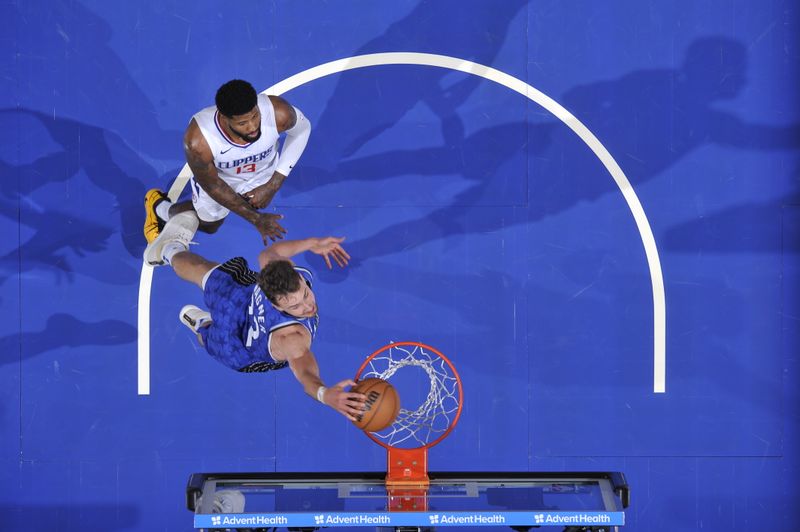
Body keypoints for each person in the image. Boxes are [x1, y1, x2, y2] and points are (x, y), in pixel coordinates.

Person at [143, 211, 365, 420]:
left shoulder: (287, 279)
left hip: (239, 322)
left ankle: (174, 262)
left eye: (305, 295)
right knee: (205, 302)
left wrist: (313, 243)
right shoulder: (294, 338)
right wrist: (324, 395)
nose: (307, 307)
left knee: (206, 289)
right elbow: (307, 375)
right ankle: (174, 265)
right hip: (238, 324)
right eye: (296, 306)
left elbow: (269, 254)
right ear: (276, 305)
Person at [143, 79, 312, 257]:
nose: (253, 127)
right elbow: (213, 185)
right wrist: (256, 219)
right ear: (224, 118)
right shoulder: (199, 140)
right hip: (221, 182)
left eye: (255, 116)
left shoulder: (278, 112)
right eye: (242, 123)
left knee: (231, 212)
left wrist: (272, 185)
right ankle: (159, 208)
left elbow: (302, 130)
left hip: (264, 174)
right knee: (210, 226)